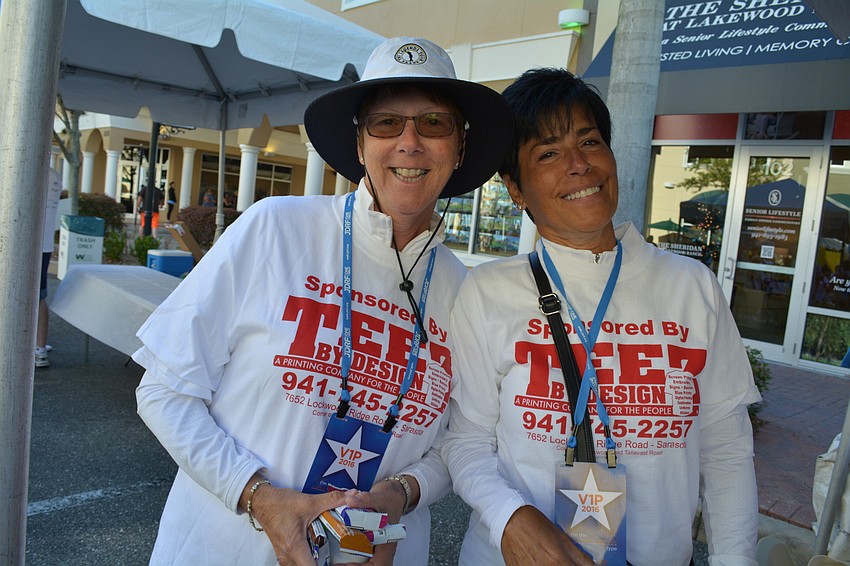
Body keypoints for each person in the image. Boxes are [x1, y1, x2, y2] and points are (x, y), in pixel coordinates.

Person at [132, 36, 512, 565]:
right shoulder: (274, 228)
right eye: (385, 123)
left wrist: (399, 495)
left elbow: (457, 441)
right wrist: (258, 497)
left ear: (460, 148)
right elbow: (165, 390)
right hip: (227, 548)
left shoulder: (464, 290)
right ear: (360, 145)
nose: (409, 142)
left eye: (433, 123)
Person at [442, 68, 762, 565]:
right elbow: (465, 441)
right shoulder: (487, 291)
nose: (578, 165)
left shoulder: (690, 286)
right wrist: (509, 517)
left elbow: (726, 448)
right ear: (516, 189)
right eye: (547, 153)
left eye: (589, 142)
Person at [35, 166, 62, 368]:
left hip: (24, 245)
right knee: (39, 296)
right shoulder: (53, 176)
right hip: (43, 244)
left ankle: (38, 348)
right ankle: (39, 348)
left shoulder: (30, 171)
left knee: (37, 297)